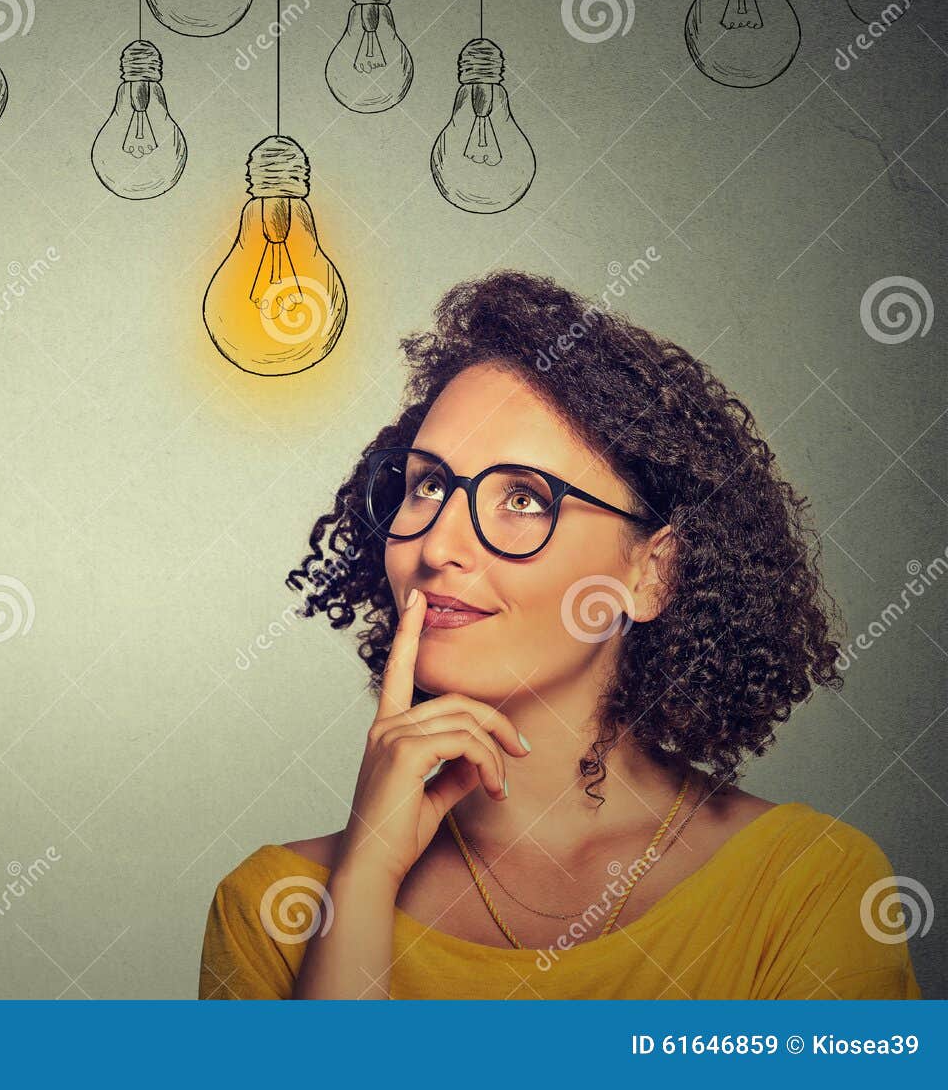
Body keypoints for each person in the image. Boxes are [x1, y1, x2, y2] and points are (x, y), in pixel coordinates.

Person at [198, 270, 923, 1000]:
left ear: (651, 573)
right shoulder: (276, 908)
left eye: (522, 498)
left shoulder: (809, 884)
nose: (437, 545)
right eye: (427, 485)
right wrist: (363, 882)